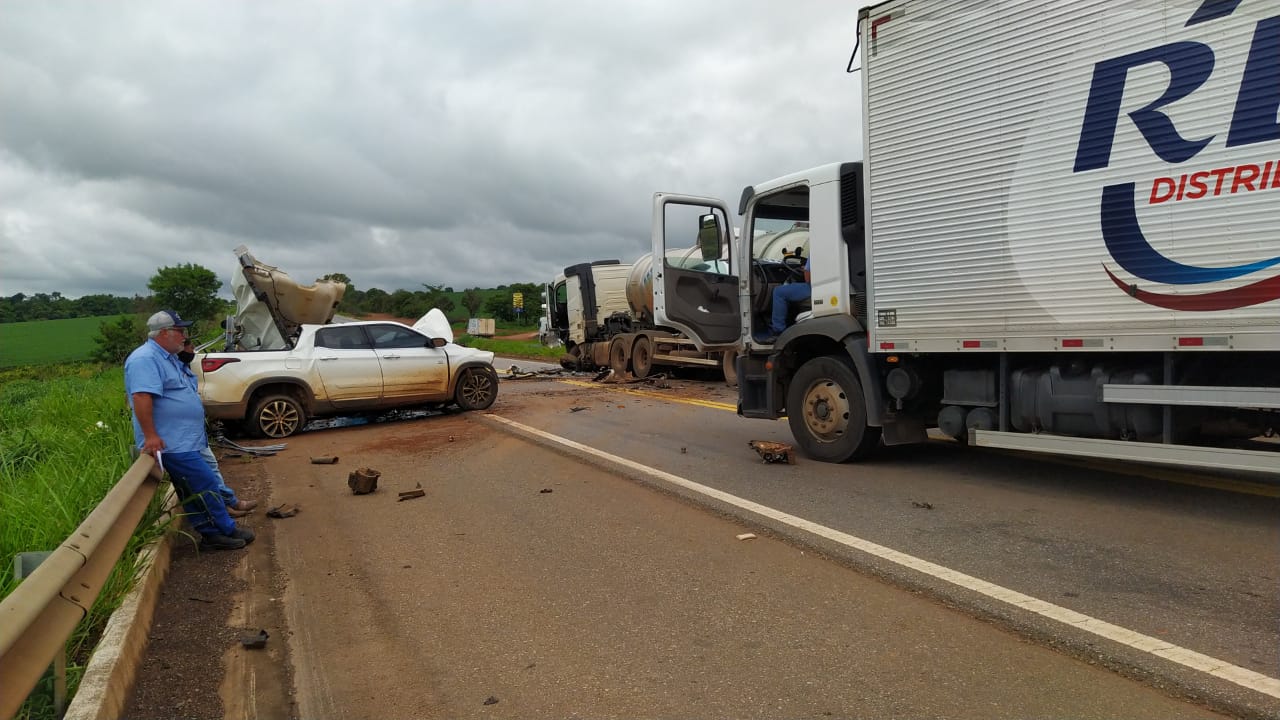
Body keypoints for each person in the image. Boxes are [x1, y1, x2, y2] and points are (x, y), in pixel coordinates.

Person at [125, 310, 255, 551]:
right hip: (170, 441)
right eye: (180, 331)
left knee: (192, 488)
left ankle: (211, 534)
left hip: (184, 438)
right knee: (205, 483)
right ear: (164, 333)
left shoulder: (168, 357)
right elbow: (142, 396)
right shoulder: (145, 359)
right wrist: (152, 436)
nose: (184, 337)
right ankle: (225, 528)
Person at [177, 339, 258, 518]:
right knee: (205, 472)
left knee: (211, 466)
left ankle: (229, 503)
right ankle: (225, 506)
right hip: (181, 436)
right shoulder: (171, 369)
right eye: (190, 348)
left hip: (195, 432)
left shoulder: (183, 369)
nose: (192, 351)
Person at [763, 253, 810, 343]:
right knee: (791, 290)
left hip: (813, 287)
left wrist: (804, 270)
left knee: (779, 292)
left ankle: (778, 331)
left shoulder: (814, 251)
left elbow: (808, 278)